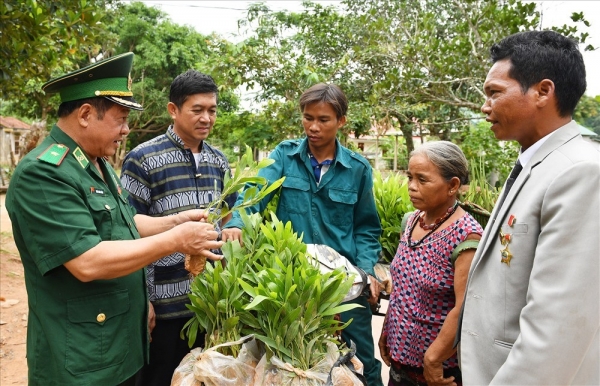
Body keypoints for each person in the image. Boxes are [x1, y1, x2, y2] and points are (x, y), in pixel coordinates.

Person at [5, 53, 224, 386]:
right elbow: (87, 261)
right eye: (120, 119)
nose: (126, 130)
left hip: (119, 340)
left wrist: (175, 221)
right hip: (81, 355)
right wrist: (177, 241)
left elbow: (124, 224)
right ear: (86, 114)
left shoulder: (95, 163)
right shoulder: (44, 173)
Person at [458, 30, 600, 384]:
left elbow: (557, 328)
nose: (484, 106)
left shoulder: (579, 172)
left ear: (543, 91)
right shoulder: (537, 161)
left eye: (494, 93)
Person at [222, 83, 385, 386]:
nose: (313, 127)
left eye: (323, 120)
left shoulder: (358, 168)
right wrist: (237, 224)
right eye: (308, 118)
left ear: (341, 121)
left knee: (361, 360)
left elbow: (366, 226)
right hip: (292, 280)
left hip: (343, 281)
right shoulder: (284, 156)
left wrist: (365, 271)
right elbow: (254, 192)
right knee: (290, 362)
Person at [120, 69, 237, 386]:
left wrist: (233, 225)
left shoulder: (218, 161)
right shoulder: (143, 159)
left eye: (212, 110)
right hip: (162, 306)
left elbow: (231, 211)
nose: (206, 118)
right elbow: (127, 228)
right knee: (160, 378)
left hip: (206, 306)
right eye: (197, 110)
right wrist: (143, 300)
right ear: (174, 110)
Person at [378, 142, 483, 386]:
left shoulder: (466, 236)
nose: (412, 187)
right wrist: (388, 330)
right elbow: (403, 286)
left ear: (452, 185)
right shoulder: (411, 221)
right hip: (400, 363)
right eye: (410, 178)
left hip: (436, 374)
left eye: (422, 180)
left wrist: (433, 360)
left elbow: (465, 307)